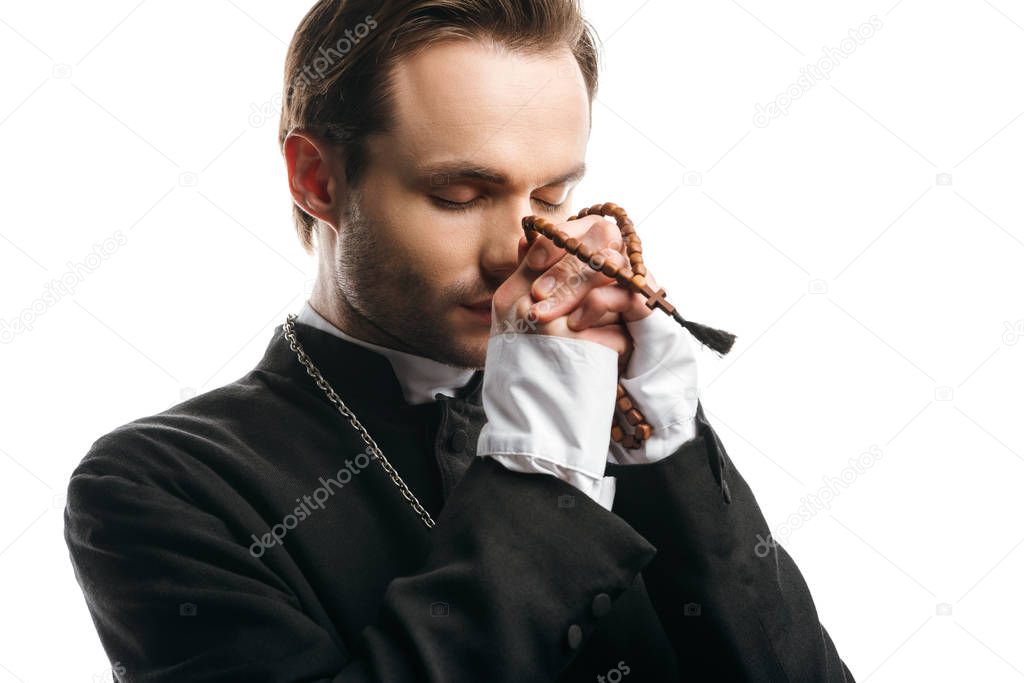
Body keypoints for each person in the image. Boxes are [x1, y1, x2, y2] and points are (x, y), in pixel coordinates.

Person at [63, 1, 855, 680]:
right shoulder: (155, 486)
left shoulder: (623, 418)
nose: (520, 245)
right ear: (316, 180)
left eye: (552, 193)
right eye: (460, 193)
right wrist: (541, 460)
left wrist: (668, 447)